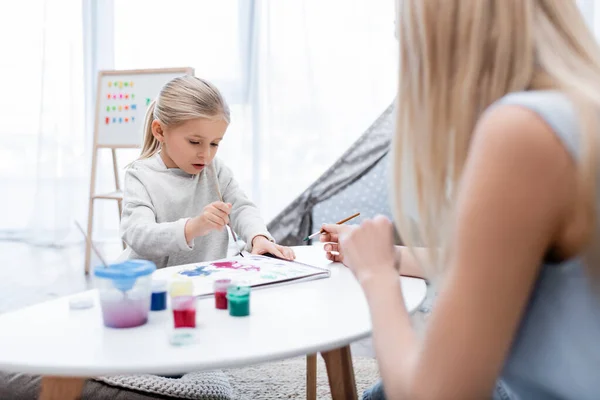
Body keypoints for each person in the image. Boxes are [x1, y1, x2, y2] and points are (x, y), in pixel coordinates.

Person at [322, 0, 600, 398]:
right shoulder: (580, 111)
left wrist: (377, 278)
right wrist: (387, 255)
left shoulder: (525, 131)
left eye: (409, 38)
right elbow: (496, 263)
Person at [120, 75, 294, 269]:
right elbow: (137, 233)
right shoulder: (141, 176)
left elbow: (241, 208)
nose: (206, 154)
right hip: (156, 288)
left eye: (214, 143)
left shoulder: (214, 170)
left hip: (206, 281)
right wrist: (193, 227)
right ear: (160, 131)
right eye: (194, 142)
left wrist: (258, 237)